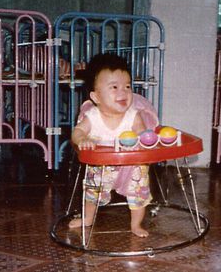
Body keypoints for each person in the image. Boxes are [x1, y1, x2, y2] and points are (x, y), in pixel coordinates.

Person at [68, 52, 160, 239]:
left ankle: (136, 224)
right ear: (96, 97)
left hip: (132, 165)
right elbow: (77, 132)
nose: (123, 92)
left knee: (139, 194)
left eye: (127, 86)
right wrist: (82, 139)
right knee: (92, 192)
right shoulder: (93, 117)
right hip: (101, 166)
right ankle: (88, 218)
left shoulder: (133, 115)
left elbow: (143, 134)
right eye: (114, 87)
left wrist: (147, 140)